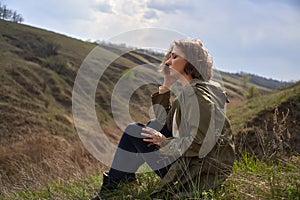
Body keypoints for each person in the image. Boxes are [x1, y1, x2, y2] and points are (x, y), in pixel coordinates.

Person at [91, 38, 235, 199]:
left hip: (195, 173)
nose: (167, 62)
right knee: (153, 125)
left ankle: (110, 191)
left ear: (191, 62)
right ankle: (122, 182)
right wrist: (166, 86)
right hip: (196, 164)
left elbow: (200, 143)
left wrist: (163, 142)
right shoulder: (196, 89)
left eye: (174, 57)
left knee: (134, 130)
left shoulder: (196, 95)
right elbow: (164, 122)